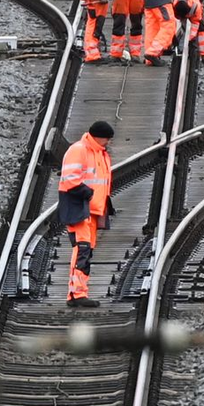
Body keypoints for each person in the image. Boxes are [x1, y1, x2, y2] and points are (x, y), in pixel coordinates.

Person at [57, 120, 115, 308]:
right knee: (81, 250)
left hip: (93, 211)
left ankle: (76, 293)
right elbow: (70, 180)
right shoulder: (79, 150)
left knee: (85, 250)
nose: (109, 143)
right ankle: (77, 294)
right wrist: (89, 195)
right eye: (107, 139)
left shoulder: (100, 153)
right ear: (99, 137)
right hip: (80, 209)